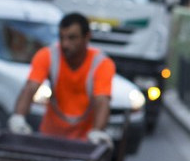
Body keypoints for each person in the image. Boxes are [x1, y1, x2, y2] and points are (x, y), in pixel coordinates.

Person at [9, 11, 115, 148]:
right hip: (50, 136)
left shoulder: (101, 63)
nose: (65, 44)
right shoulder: (47, 56)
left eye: (72, 38)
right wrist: (18, 117)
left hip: (83, 142)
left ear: (87, 37)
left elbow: (102, 100)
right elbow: (30, 87)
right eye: (62, 37)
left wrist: (97, 131)